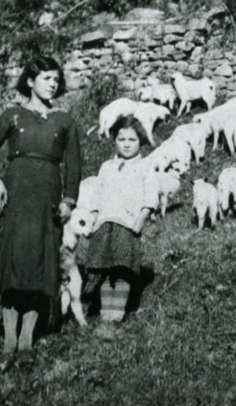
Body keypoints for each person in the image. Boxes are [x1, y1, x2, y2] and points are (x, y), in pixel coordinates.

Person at [0, 56, 81, 368]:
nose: (53, 84)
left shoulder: (64, 121)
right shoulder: (12, 115)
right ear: (30, 81)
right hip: (17, 195)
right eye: (47, 78)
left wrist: (69, 201)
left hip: (48, 197)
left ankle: (26, 340)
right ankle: (9, 339)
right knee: (13, 265)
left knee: (40, 264)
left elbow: (74, 166)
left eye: (56, 79)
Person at [77, 116, 157, 335]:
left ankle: (116, 315)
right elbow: (97, 193)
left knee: (121, 270)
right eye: (121, 139)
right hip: (104, 224)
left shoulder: (145, 167)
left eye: (132, 139)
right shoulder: (106, 167)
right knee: (105, 269)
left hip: (126, 224)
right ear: (115, 141)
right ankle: (105, 313)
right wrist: (93, 216)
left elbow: (150, 197)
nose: (127, 143)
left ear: (141, 141)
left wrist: (141, 218)